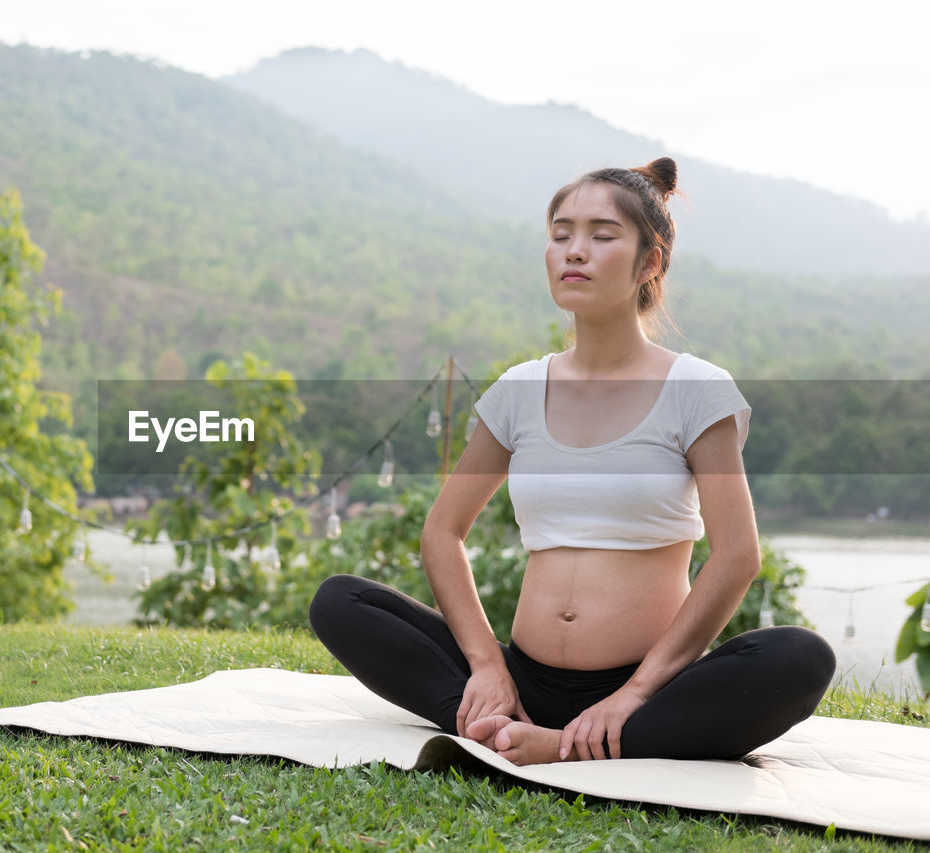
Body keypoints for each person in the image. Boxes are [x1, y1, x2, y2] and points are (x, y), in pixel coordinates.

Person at [309, 157, 835, 766]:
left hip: (649, 687)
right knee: (341, 602)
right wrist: (486, 666)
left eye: (601, 236)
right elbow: (443, 532)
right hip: (523, 675)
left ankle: (561, 744)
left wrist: (635, 693)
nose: (574, 251)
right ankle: (503, 717)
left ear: (651, 262)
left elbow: (738, 555)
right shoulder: (519, 390)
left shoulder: (696, 389)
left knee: (799, 657)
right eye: (561, 235)